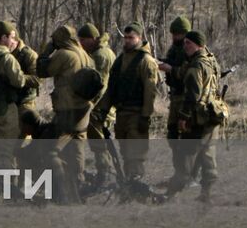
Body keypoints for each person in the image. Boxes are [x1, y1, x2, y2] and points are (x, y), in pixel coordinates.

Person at [94, 23, 161, 194]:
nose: (128, 41)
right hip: (122, 113)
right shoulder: (120, 60)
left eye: (131, 37)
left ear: (139, 38)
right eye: (126, 37)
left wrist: (146, 116)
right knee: (125, 151)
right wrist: (102, 109)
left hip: (137, 113)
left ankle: (137, 188)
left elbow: (150, 91)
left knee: (135, 153)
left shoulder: (146, 61)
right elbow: (111, 88)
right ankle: (128, 186)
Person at [37, 25, 96, 203]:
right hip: (83, 110)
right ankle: (78, 190)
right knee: (76, 151)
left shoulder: (64, 54)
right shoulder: (86, 55)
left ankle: (62, 193)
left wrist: (48, 49)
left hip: (68, 111)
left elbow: (42, 70)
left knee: (51, 151)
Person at [164, 31, 225, 202]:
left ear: (199, 45)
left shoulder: (196, 67)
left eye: (188, 43)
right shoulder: (211, 61)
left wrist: (183, 117)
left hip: (197, 120)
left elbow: (192, 96)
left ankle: (170, 196)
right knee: (208, 156)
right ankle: (207, 194)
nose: (185, 46)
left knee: (186, 160)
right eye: (184, 43)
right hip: (213, 116)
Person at [0, 21, 39, 172]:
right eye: (11, 37)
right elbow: (19, 81)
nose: (14, 41)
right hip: (5, 111)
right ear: (3, 38)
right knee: (5, 153)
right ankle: (3, 190)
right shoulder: (7, 57)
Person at [78, 22, 117, 191]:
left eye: (83, 40)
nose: (81, 44)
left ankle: (104, 177)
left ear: (92, 39)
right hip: (101, 107)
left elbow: (100, 85)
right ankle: (105, 174)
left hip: (100, 109)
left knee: (99, 144)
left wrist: (90, 105)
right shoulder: (100, 52)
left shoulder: (101, 55)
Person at [159, 16, 193, 179]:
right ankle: (179, 173)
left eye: (177, 34)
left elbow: (188, 73)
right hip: (175, 98)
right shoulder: (174, 49)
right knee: (172, 136)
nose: (174, 37)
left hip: (186, 99)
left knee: (185, 138)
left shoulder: (190, 50)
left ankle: (188, 175)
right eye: (173, 34)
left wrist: (170, 69)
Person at [9, 24, 41, 119]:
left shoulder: (29, 55)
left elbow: (37, 80)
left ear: (16, 40)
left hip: (25, 102)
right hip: (8, 103)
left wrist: (18, 77)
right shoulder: (3, 54)